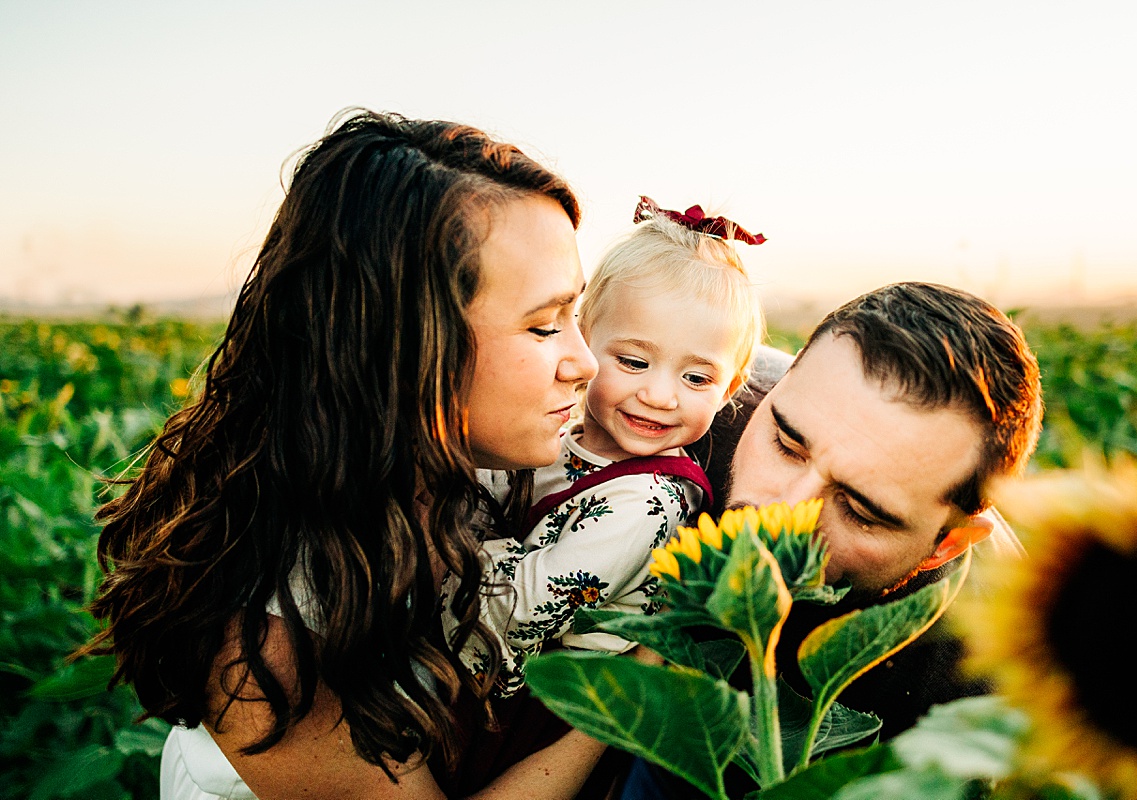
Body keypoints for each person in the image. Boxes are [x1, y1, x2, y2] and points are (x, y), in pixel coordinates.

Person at [83, 109, 616, 799]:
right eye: (544, 326)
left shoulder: (466, 460)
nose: (586, 361)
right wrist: (632, 698)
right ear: (404, 348)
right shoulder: (263, 646)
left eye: (578, 313)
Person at [638, 281, 1042, 797]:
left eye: (859, 510)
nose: (783, 511)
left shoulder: (977, 687)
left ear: (947, 545)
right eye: (786, 445)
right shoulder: (687, 409)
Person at [448, 197, 767, 696]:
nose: (660, 396)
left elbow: (517, 614)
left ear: (728, 390)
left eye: (697, 377)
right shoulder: (551, 438)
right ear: (582, 345)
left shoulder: (648, 505)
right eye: (634, 362)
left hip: (545, 701)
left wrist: (435, 540)